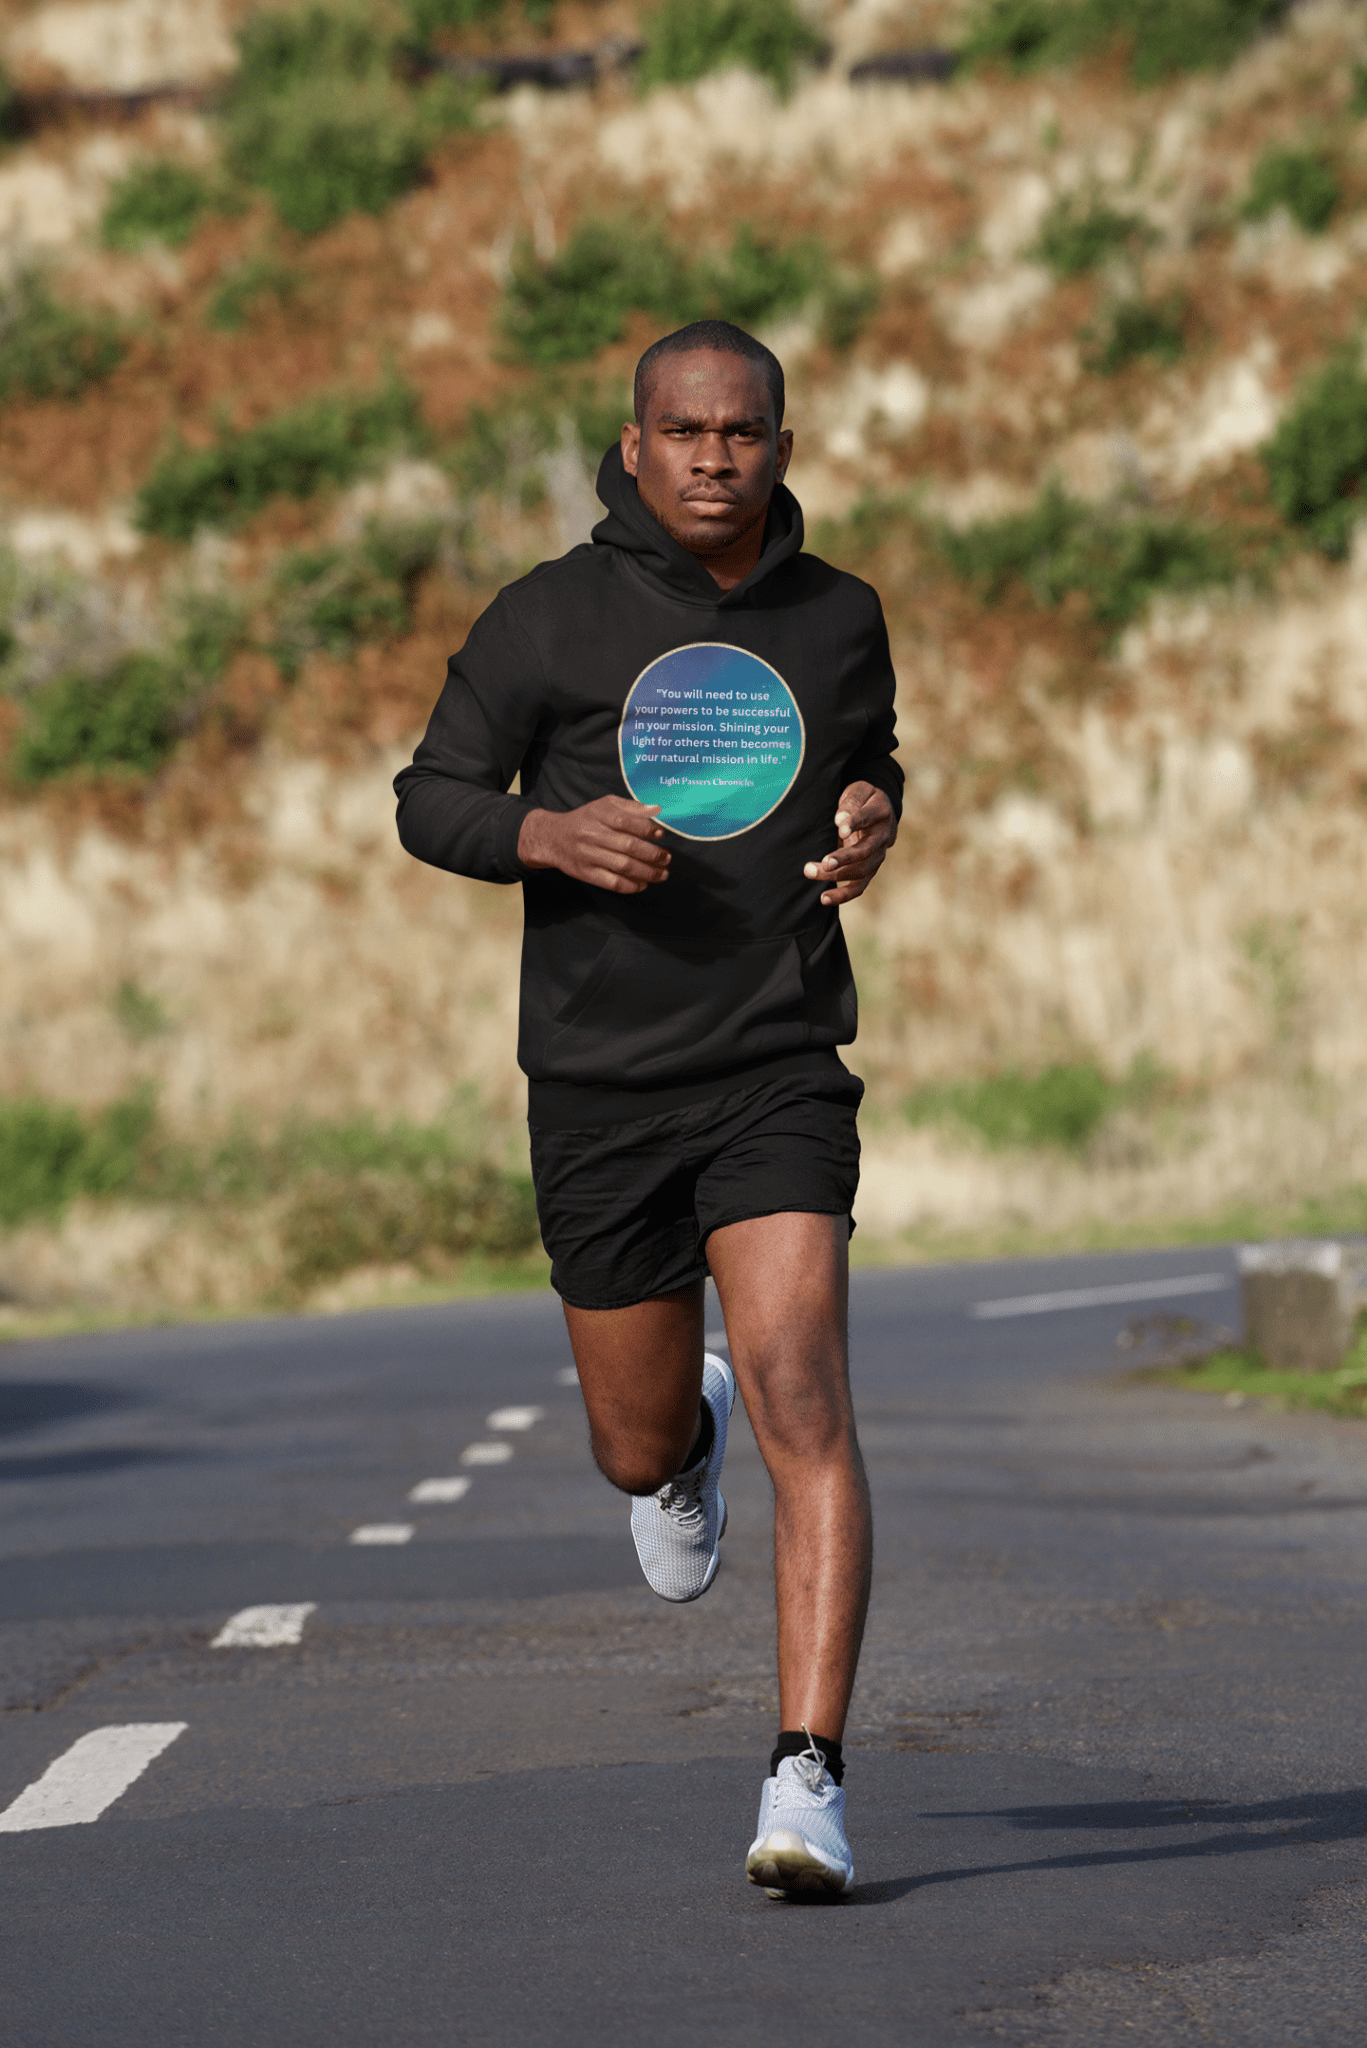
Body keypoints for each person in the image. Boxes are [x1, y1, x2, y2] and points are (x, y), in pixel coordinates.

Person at [395, 318, 901, 1896]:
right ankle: (679, 1446)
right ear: (633, 445)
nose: (711, 458)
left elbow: (865, 761)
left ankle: (805, 1777)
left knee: (801, 1387)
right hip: (603, 1082)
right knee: (630, 1447)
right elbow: (432, 798)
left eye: (741, 433)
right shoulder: (546, 618)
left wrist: (879, 812)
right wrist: (546, 839)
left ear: (782, 448)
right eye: (682, 432)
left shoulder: (839, 616)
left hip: (775, 1058)